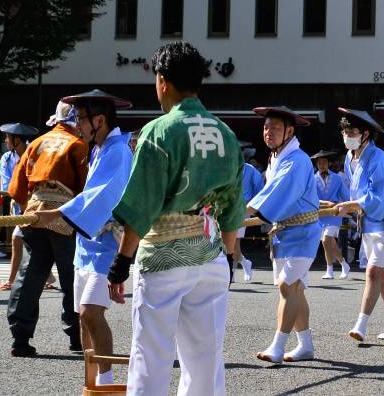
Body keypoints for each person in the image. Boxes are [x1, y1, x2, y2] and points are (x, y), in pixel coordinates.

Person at [106, 42, 244, 395]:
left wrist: (120, 264)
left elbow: (142, 206)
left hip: (164, 256)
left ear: (163, 81)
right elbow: (232, 209)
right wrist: (229, 258)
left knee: (151, 355)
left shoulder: (159, 131)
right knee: (205, 357)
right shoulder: (226, 135)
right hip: (210, 253)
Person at [32, 90, 133, 386]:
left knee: (91, 312)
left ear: (99, 120)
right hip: (86, 244)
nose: (76, 124)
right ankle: (91, 381)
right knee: (82, 317)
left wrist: (55, 213)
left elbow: (101, 196)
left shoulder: (118, 150)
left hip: (107, 244)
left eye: (80, 118)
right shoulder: (100, 148)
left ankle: (106, 380)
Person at [7, 100, 90, 357]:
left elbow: (16, 187)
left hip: (34, 215)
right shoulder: (77, 145)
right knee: (71, 277)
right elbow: (85, 187)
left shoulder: (36, 143)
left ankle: (20, 338)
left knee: (30, 275)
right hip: (64, 217)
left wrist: (30, 208)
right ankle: (76, 337)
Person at [247, 105, 321, 364]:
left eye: (275, 128)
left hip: (303, 232)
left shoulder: (297, 160)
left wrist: (241, 211)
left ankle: (278, 346)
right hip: (284, 232)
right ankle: (306, 346)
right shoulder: (276, 158)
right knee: (295, 289)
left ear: (289, 132)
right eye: (266, 127)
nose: (268, 132)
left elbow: (274, 193)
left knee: (287, 285)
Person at [332, 108, 384, 343]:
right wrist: (349, 205)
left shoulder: (379, 159)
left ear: (365, 134)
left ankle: (361, 325)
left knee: (373, 271)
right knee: (383, 274)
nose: (347, 136)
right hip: (369, 220)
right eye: (345, 131)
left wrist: (351, 205)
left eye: (352, 132)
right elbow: (355, 191)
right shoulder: (349, 157)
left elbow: (379, 198)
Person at [0, 123, 36, 291]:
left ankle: (12, 281)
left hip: (36, 205)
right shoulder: (6, 159)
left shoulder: (35, 153)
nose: (5, 140)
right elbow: (7, 186)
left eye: (8, 137)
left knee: (19, 239)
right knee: (31, 243)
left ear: (17, 140)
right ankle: (49, 277)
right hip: (19, 206)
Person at [308, 150, 350, 281]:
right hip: (319, 214)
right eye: (319, 163)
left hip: (334, 213)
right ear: (316, 165)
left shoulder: (337, 178)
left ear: (328, 163)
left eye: (324, 163)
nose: (322, 165)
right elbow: (310, 197)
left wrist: (351, 207)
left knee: (326, 240)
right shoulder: (312, 179)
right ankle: (343, 264)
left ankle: (330, 269)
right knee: (329, 243)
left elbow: (346, 195)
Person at [236, 145, 265, 282]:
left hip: (243, 210)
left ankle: (231, 273)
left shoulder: (251, 170)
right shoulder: (225, 168)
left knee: (234, 243)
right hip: (224, 209)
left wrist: (251, 205)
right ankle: (244, 263)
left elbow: (260, 191)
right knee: (226, 244)